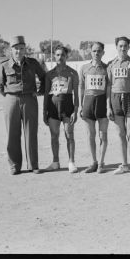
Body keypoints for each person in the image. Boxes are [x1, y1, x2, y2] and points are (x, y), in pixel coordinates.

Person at [0, 36, 46, 175]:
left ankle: (33, 165)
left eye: (21, 48)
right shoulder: (4, 65)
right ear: (11, 50)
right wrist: (9, 97)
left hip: (29, 99)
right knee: (12, 134)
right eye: (16, 49)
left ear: (25, 50)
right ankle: (14, 166)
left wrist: (39, 91)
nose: (19, 51)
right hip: (11, 100)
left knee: (31, 133)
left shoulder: (33, 63)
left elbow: (43, 77)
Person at [107, 36, 130, 175]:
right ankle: (124, 164)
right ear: (116, 47)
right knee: (121, 133)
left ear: (128, 47)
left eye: (125, 46)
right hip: (115, 98)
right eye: (120, 46)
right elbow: (109, 86)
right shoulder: (111, 64)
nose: (123, 48)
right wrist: (108, 106)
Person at [43, 45, 80, 173]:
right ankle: (55, 162)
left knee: (69, 134)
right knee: (54, 136)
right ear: (54, 56)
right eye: (58, 55)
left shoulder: (72, 73)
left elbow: (76, 94)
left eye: (62, 55)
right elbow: (46, 94)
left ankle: (71, 162)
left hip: (67, 107)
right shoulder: (49, 74)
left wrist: (75, 110)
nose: (60, 57)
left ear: (66, 56)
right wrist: (44, 111)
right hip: (53, 109)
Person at [79, 42, 109, 173]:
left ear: (103, 52)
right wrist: (80, 105)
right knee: (90, 135)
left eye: (99, 51)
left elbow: (108, 89)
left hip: (102, 102)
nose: (97, 53)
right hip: (88, 103)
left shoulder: (107, 68)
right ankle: (94, 162)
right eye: (94, 51)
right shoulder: (84, 68)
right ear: (90, 52)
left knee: (103, 135)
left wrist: (108, 107)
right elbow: (81, 87)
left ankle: (102, 162)